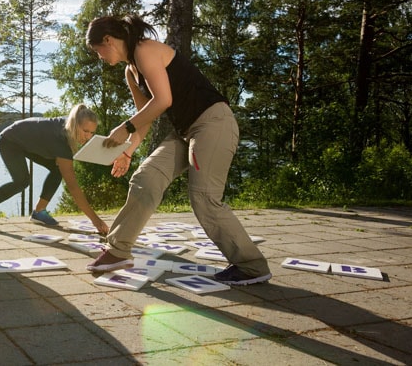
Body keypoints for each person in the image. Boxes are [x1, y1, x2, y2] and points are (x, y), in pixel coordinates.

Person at [85, 14, 272, 285]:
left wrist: (124, 128)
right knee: (145, 180)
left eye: (96, 50)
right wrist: (127, 152)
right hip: (184, 132)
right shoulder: (130, 71)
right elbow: (144, 117)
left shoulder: (145, 50)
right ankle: (117, 251)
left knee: (204, 196)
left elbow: (163, 100)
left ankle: (252, 266)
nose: (98, 56)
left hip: (212, 123)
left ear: (108, 40)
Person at [0, 104, 110, 234]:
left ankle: (39, 211)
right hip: (10, 140)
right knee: (22, 181)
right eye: (85, 131)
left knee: (57, 170)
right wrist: (95, 220)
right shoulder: (61, 140)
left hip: (28, 142)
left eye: (92, 132)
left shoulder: (69, 130)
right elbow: (73, 187)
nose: (88, 137)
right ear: (75, 125)